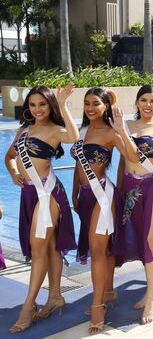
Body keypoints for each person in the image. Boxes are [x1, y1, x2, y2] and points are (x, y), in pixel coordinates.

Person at [4, 84, 78, 334]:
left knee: (38, 249)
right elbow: (9, 156)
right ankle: (55, 296)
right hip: (28, 194)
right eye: (33, 105)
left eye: (42, 104)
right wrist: (14, 173)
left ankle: (28, 307)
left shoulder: (54, 130)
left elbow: (73, 137)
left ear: (50, 106)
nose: (37, 109)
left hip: (48, 195)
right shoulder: (24, 130)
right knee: (51, 246)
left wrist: (64, 104)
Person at [70, 87, 135, 334]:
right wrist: (75, 192)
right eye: (87, 103)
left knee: (97, 250)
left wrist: (121, 130)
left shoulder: (110, 132)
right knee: (103, 249)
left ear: (105, 106)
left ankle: (97, 306)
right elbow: (78, 165)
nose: (90, 108)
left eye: (95, 103)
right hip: (85, 197)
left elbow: (132, 155)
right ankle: (108, 291)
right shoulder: (81, 131)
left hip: (103, 196)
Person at [112, 85, 153, 324]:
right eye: (144, 100)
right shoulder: (126, 125)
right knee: (139, 239)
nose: (148, 105)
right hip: (131, 188)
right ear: (137, 103)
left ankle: (151, 297)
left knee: (152, 240)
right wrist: (119, 191)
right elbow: (126, 159)